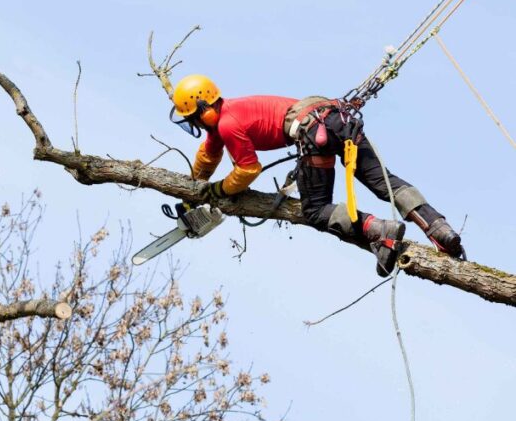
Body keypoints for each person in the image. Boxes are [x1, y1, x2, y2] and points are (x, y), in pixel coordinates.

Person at [169, 74, 463, 276]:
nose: (196, 124)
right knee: (383, 181)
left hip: (313, 135)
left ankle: (380, 231)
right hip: (337, 119)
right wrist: (193, 190)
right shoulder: (228, 116)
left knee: (316, 209)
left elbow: (247, 170)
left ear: (205, 109)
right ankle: (440, 229)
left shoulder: (228, 124)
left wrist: (217, 191)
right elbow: (208, 156)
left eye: (194, 118)